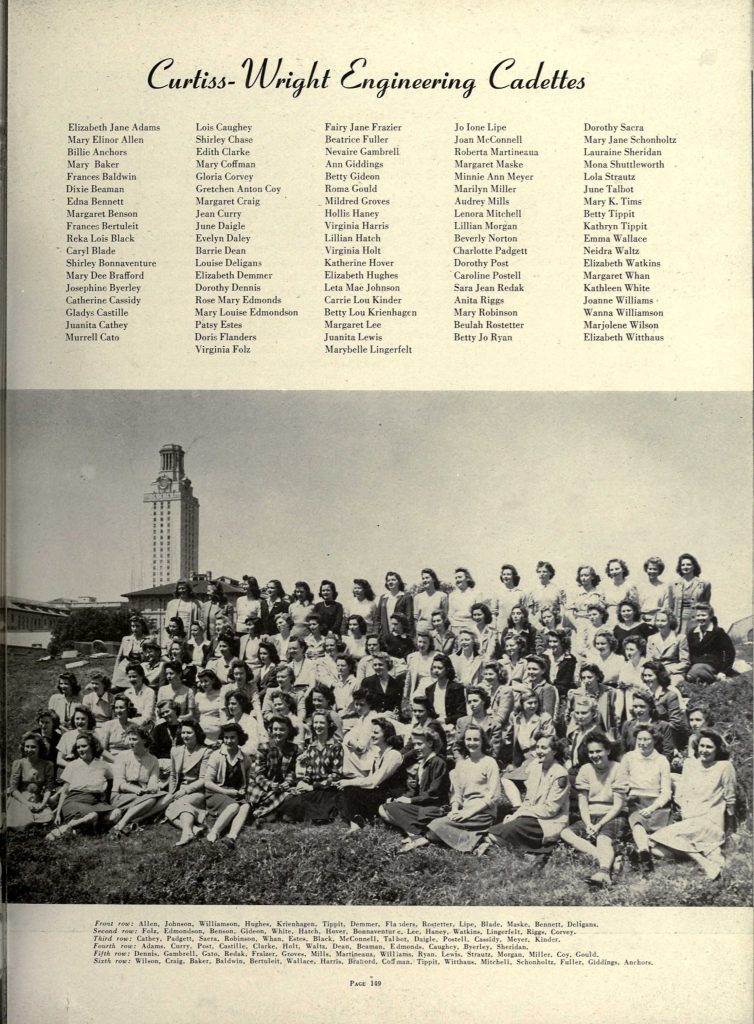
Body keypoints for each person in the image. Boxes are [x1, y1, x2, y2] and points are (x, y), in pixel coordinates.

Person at [650, 730, 737, 880]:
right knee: (655, 848)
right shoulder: (690, 764)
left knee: (655, 839)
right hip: (690, 822)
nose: (703, 750)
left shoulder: (725, 767)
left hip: (710, 822)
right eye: (701, 746)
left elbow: (730, 799)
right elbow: (684, 793)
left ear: (717, 749)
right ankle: (705, 855)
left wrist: (732, 829)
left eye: (709, 747)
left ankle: (705, 863)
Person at [406, 723, 501, 854]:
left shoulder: (489, 762)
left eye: (476, 739)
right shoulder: (462, 765)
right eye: (468, 739)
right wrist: (455, 809)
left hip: (483, 813)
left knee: (436, 828)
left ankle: (472, 841)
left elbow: (494, 795)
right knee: (435, 824)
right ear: (464, 741)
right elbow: (457, 794)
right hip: (464, 811)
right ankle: (481, 840)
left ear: (482, 741)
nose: (471, 743)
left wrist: (469, 812)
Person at [480, 733, 570, 856]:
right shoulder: (536, 767)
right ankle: (503, 843)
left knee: (501, 831)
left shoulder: (560, 774)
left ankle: (503, 845)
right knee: (503, 827)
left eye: (544, 748)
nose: (539, 751)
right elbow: (528, 799)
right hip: (532, 815)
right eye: (537, 747)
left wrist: (520, 813)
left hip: (549, 820)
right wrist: (517, 814)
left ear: (554, 751)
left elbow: (551, 810)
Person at [559, 731, 626, 887]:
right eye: (591, 752)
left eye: (598, 751)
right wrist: (588, 823)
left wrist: (599, 825)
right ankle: (608, 857)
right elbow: (583, 801)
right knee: (565, 833)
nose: (595, 755)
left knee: (603, 839)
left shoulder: (618, 768)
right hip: (591, 815)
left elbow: (619, 805)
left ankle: (603, 872)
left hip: (613, 815)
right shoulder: (585, 769)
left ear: (608, 751)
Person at [380, 725, 450, 851]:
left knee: (390, 809)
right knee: (384, 809)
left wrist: (411, 801)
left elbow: (434, 794)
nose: (416, 748)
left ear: (429, 743)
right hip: (423, 805)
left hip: (435, 808)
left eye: (419, 744)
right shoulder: (423, 762)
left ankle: (415, 836)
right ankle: (417, 832)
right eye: (414, 744)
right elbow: (415, 790)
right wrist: (403, 798)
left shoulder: (438, 762)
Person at [614, 723, 672, 874]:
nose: (642, 743)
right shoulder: (629, 758)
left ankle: (639, 850)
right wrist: (626, 791)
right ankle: (645, 857)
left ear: (654, 740)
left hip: (657, 804)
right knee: (637, 824)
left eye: (647, 739)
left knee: (661, 840)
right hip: (635, 801)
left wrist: (653, 807)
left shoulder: (661, 760)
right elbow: (621, 782)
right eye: (640, 739)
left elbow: (666, 792)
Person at [336, 717, 405, 831]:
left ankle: (360, 823)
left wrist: (349, 782)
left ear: (386, 735)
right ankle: (361, 821)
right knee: (341, 794)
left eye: (376, 733)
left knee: (349, 790)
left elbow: (373, 782)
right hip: (379, 793)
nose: (372, 735)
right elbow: (370, 780)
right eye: (372, 732)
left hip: (391, 797)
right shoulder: (378, 754)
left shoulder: (393, 755)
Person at [278, 710, 343, 824]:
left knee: (319, 812)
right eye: (315, 722)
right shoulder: (311, 747)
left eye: (322, 723)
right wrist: (303, 782)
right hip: (313, 788)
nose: (318, 726)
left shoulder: (336, 746)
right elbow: (309, 773)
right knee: (289, 806)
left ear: (329, 724)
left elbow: (336, 776)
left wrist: (312, 787)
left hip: (328, 789)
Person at [46, 731, 112, 841]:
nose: (80, 749)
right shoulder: (72, 765)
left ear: (92, 746)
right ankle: (65, 828)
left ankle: (79, 829)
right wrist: (58, 814)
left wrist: (107, 799)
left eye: (84, 746)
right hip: (74, 800)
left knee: (116, 814)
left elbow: (111, 781)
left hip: (95, 801)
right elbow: (65, 791)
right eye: (78, 747)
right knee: (93, 816)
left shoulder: (103, 765)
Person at [159, 720, 212, 846]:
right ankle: (192, 829)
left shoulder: (205, 752)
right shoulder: (175, 751)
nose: (185, 736)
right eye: (183, 732)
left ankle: (186, 832)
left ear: (197, 734)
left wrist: (185, 791)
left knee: (180, 805)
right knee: (169, 807)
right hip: (178, 790)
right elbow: (172, 775)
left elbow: (203, 779)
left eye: (189, 732)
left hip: (196, 791)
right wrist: (171, 794)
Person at [204, 722, 254, 845]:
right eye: (226, 737)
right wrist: (226, 792)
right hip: (216, 792)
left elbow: (247, 782)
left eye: (232, 737)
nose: (229, 741)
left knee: (245, 806)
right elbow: (207, 783)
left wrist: (244, 789)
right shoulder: (216, 756)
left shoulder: (245, 758)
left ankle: (231, 836)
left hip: (234, 794)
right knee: (234, 806)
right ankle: (213, 833)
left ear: (239, 738)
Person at [107, 725, 162, 837]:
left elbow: (153, 780)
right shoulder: (122, 756)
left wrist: (151, 787)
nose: (130, 742)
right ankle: (121, 824)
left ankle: (135, 820)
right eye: (130, 739)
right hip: (120, 794)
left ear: (144, 740)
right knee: (150, 801)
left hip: (142, 793)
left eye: (134, 739)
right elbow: (119, 783)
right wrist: (137, 790)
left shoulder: (153, 760)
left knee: (168, 797)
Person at [245, 715, 299, 825]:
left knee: (291, 794)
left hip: (280, 785)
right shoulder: (264, 747)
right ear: (271, 730)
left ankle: (264, 814)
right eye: (275, 729)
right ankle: (266, 813)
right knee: (281, 795)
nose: (278, 732)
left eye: (282, 729)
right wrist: (269, 784)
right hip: (261, 785)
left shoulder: (293, 748)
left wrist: (288, 782)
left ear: (289, 731)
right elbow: (258, 773)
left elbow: (291, 770)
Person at [7, 732, 56, 830]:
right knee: (23, 821)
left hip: (38, 800)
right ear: (23, 747)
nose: (29, 750)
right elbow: (13, 789)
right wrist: (27, 804)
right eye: (27, 746)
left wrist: (43, 804)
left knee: (48, 817)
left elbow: (48, 788)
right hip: (20, 799)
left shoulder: (47, 765)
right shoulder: (19, 763)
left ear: (40, 748)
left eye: (33, 747)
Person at [641, 660, 688, 750]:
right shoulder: (644, 694)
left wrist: (654, 731)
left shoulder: (670, 694)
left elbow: (675, 723)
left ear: (659, 676)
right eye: (645, 675)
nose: (646, 678)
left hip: (665, 739)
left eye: (650, 675)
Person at [619, 689, 675, 762]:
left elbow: (668, 754)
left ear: (650, 707)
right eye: (635, 706)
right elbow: (623, 752)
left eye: (642, 706)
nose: (638, 710)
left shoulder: (663, 726)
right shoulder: (627, 725)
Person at [686, 603, 736, 683]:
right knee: (689, 674)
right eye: (698, 616)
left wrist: (723, 671)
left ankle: (718, 678)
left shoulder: (718, 632)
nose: (700, 618)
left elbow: (730, 652)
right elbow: (689, 652)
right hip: (695, 665)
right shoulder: (692, 632)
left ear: (710, 616)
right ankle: (710, 679)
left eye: (703, 615)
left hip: (713, 666)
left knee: (693, 674)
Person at [663, 554, 712, 636]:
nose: (685, 567)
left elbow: (705, 606)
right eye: (683, 565)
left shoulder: (704, 584)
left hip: (696, 622)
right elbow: (670, 606)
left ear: (694, 566)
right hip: (678, 624)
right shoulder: (673, 584)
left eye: (688, 564)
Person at [453, 687, 503, 761]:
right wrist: (461, 762)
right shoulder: (462, 722)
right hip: (465, 763)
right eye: (469, 702)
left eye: (475, 701)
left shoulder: (495, 725)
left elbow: (494, 752)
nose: (472, 704)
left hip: (486, 764)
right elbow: (456, 748)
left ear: (483, 701)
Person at [423, 653, 467, 728]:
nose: (436, 670)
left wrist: (445, 721)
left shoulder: (456, 688)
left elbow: (462, 713)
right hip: (433, 725)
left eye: (440, 668)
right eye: (434, 667)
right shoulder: (429, 689)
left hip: (451, 725)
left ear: (447, 669)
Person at [646, 608, 690, 683]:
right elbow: (649, 659)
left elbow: (685, 662)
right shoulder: (651, 638)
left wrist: (668, 670)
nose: (659, 623)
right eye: (658, 620)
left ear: (670, 622)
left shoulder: (680, 638)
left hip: (673, 672)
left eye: (663, 621)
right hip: (655, 671)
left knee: (670, 685)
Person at [222, 689, 267, 757]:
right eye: (229, 704)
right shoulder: (229, 723)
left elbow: (252, 746)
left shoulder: (250, 721)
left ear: (241, 704)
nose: (230, 706)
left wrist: (235, 752)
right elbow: (224, 745)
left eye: (233, 704)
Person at [112, 614, 153, 689]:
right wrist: (115, 674)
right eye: (133, 626)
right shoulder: (126, 639)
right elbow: (119, 658)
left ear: (142, 627)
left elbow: (152, 656)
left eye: (137, 626)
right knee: (116, 687)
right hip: (126, 666)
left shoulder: (149, 640)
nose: (134, 629)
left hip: (141, 666)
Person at [361, 651, 404, 716]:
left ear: (388, 665)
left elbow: (397, 706)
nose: (377, 667)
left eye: (380, 665)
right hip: (371, 718)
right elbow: (362, 704)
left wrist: (394, 715)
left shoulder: (396, 684)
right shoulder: (367, 682)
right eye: (375, 665)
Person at [98, 694, 138, 760]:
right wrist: (115, 761)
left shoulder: (134, 726)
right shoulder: (108, 725)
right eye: (116, 708)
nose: (118, 711)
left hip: (129, 759)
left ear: (128, 709)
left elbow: (137, 749)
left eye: (121, 707)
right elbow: (103, 750)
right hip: (112, 759)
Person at [377, 571, 414, 642]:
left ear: (399, 582)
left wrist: (409, 635)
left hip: (401, 634)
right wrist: (377, 633)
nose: (390, 582)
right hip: (385, 634)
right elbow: (378, 618)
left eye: (393, 580)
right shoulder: (383, 598)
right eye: (388, 580)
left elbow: (409, 618)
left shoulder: (406, 597)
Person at [491, 564, 527, 636]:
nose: (506, 576)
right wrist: (494, 629)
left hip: (517, 629)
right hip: (501, 629)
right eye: (504, 574)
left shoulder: (521, 593)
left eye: (508, 574)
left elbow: (524, 613)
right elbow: (494, 613)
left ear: (513, 576)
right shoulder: (497, 593)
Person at [403, 629, 436, 705]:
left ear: (430, 644)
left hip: (434, 686)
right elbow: (408, 679)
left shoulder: (436, 655)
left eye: (425, 642)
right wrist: (405, 696)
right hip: (420, 688)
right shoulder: (411, 657)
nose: (422, 645)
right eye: (420, 642)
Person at [603, 558, 640, 623]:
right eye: (611, 570)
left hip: (625, 618)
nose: (614, 572)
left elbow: (635, 607)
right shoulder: (606, 587)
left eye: (617, 569)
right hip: (609, 619)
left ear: (623, 569)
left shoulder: (630, 586)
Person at [194, 667, 225, 743]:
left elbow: (224, 717)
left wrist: (222, 737)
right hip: (201, 736)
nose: (203, 684)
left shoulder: (222, 693)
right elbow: (195, 716)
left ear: (213, 680)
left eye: (206, 681)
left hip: (218, 736)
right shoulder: (198, 696)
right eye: (201, 682)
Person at [234, 575, 269, 641]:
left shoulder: (259, 602)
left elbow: (259, 621)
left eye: (245, 584)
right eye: (242, 584)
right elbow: (236, 617)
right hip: (238, 633)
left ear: (252, 586)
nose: (243, 586)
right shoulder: (239, 600)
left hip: (251, 634)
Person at [413, 568, 448, 632]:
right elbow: (415, 618)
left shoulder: (442, 596)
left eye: (427, 578)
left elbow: (445, 616)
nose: (425, 580)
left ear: (433, 579)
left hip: (436, 631)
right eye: (423, 578)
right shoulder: (417, 597)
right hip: (421, 631)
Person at [123, 663, 156, 727]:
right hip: (130, 722)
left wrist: (134, 724)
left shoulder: (149, 692)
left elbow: (147, 715)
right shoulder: (127, 693)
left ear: (142, 676)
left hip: (146, 724)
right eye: (130, 677)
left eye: (134, 676)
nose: (132, 679)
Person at [447, 567, 477, 633]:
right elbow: (450, 614)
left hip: (471, 627)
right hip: (455, 627)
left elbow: (479, 614)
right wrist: (455, 625)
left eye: (460, 577)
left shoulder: (476, 594)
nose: (457, 580)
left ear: (467, 578)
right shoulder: (452, 595)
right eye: (456, 578)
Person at [637, 556, 667, 623]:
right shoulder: (639, 587)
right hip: (641, 621)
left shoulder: (665, 587)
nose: (652, 571)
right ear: (646, 569)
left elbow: (665, 607)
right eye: (650, 569)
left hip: (658, 621)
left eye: (655, 569)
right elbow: (636, 607)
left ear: (659, 570)